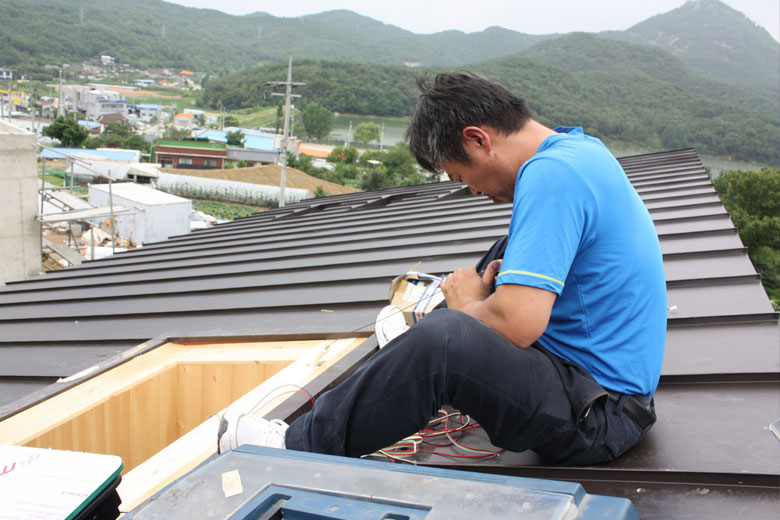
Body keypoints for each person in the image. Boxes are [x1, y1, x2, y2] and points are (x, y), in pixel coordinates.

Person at [219, 71, 667, 465]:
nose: (472, 191)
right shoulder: (576, 150)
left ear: (477, 140)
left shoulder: (552, 175)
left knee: (445, 340)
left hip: (598, 416)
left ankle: (293, 447)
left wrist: (468, 306)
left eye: (459, 176)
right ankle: (407, 362)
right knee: (504, 254)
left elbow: (518, 324)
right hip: (595, 390)